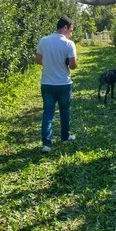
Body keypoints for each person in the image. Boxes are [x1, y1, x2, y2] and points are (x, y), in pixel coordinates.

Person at [35, 16, 77, 153]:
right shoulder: (69, 44)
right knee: (64, 111)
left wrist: (50, 63)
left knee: (48, 113)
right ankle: (65, 137)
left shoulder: (44, 41)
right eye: (71, 30)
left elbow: (38, 60)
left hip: (47, 83)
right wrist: (65, 62)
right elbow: (73, 65)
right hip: (63, 83)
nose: (71, 34)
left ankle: (46, 144)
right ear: (65, 28)